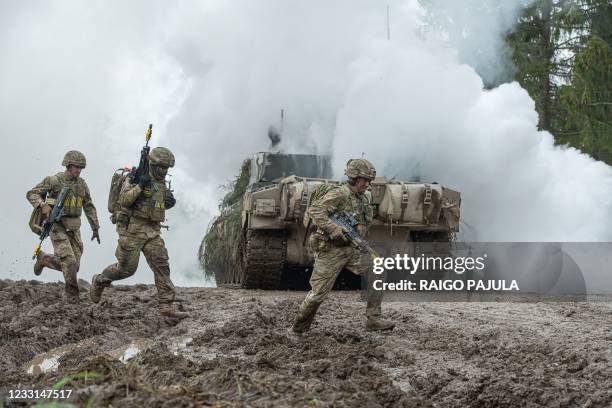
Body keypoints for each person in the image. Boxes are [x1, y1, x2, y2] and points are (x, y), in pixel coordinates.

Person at [291, 158, 395, 335]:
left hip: (351, 249)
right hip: (330, 251)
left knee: (378, 267)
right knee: (318, 294)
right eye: (365, 180)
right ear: (355, 178)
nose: (368, 184)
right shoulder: (340, 194)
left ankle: (373, 318)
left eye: (369, 180)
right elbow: (315, 211)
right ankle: (298, 330)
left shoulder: (363, 199)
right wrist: (334, 229)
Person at [89, 147, 188, 319]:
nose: (164, 171)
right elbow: (125, 200)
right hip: (132, 231)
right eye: (161, 167)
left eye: (167, 168)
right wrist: (140, 184)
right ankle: (99, 280)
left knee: (162, 265)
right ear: (153, 164)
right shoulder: (134, 177)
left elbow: (156, 203)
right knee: (126, 270)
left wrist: (168, 201)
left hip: (152, 231)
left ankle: (166, 305)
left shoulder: (160, 181)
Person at [26, 150, 100, 303]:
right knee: (69, 262)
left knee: (74, 266)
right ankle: (73, 299)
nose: (78, 170)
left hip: (74, 228)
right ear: (68, 165)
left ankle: (45, 259)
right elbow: (32, 193)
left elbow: (89, 205)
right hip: (56, 226)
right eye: (75, 167)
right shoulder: (53, 181)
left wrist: (95, 227)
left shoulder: (82, 185)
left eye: (81, 168)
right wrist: (42, 205)